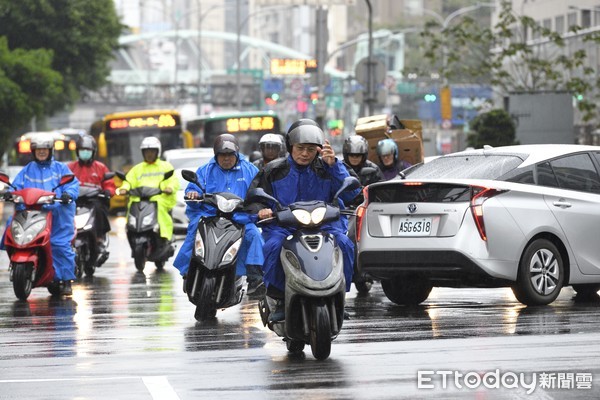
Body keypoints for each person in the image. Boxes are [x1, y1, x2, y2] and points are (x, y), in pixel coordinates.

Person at [247, 119, 361, 322]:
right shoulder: (273, 169)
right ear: (291, 146)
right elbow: (254, 198)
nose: (305, 154)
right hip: (284, 226)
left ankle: (338, 296)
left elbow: (353, 193)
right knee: (272, 246)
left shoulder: (329, 167)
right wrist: (261, 211)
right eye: (300, 148)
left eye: (310, 149)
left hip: (324, 225)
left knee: (344, 244)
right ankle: (279, 298)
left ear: (318, 150)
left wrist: (334, 166)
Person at [173, 134, 265, 296]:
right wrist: (193, 193)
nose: (226, 159)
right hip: (210, 215)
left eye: (230, 155)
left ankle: (255, 276)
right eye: (223, 155)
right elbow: (193, 187)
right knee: (194, 232)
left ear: (236, 154)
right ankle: (188, 270)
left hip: (241, 217)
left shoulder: (250, 170)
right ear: (216, 155)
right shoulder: (205, 170)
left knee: (254, 236)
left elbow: (261, 191)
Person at [5, 135, 80, 296]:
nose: (41, 152)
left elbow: (73, 184)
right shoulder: (27, 170)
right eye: (38, 150)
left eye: (44, 150)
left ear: (50, 151)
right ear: (33, 151)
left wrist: (67, 194)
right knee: (11, 231)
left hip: (57, 213)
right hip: (31, 211)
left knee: (58, 244)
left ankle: (66, 279)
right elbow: (16, 185)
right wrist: (9, 193)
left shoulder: (60, 168)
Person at [117, 136, 179, 257]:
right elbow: (128, 181)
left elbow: (173, 181)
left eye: (152, 151)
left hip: (159, 198)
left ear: (157, 152)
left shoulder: (165, 166)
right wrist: (124, 189)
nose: (149, 154)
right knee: (131, 205)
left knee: (160, 206)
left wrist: (169, 188)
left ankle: (164, 235)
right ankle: (132, 230)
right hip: (140, 198)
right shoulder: (137, 169)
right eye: (147, 152)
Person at [67, 135, 116, 251]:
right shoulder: (70, 167)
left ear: (93, 152)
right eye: (82, 150)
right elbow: (62, 182)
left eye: (88, 151)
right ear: (77, 152)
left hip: (93, 200)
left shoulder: (100, 167)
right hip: (75, 200)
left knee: (100, 209)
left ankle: (99, 236)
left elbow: (109, 183)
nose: (85, 153)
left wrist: (108, 191)